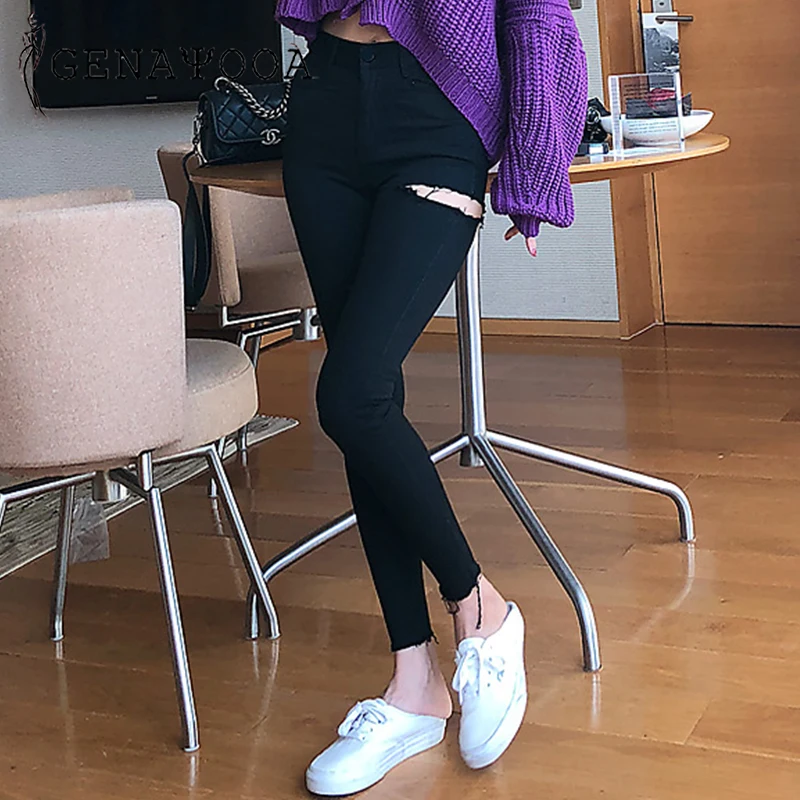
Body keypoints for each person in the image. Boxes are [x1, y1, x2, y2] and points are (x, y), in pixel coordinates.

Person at [274, 1, 588, 795]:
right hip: (324, 104)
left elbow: (536, 11)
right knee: (370, 392)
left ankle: (480, 606)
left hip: (436, 110)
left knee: (350, 396)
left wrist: (535, 159)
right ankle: (413, 681)